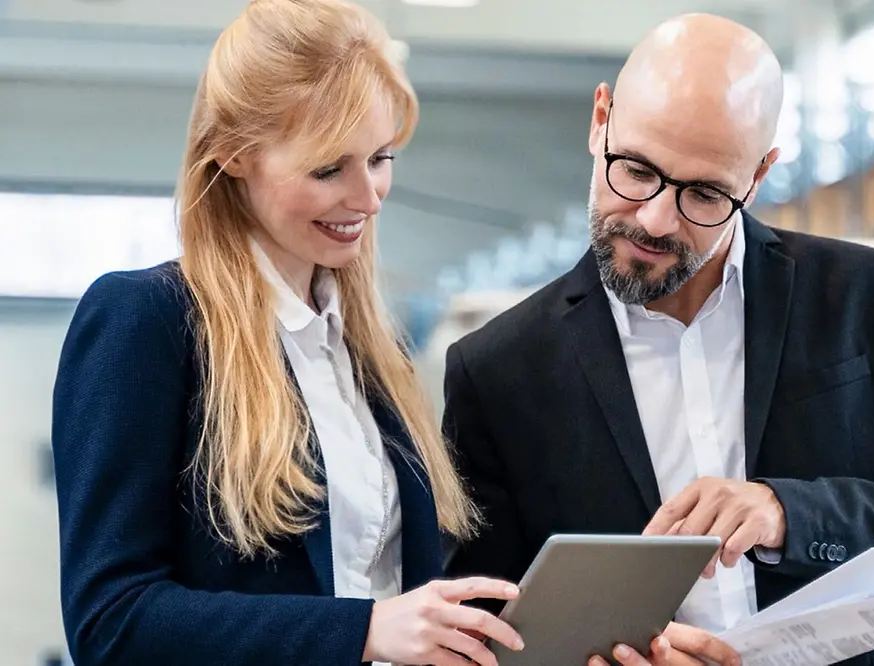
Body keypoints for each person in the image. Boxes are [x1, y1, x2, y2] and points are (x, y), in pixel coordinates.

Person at [442, 12, 874, 666]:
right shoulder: (499, 371)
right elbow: (479, 627)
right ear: (600, 120)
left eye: (703, 194)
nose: (654, 218)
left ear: (758, 176)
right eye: (636, 169)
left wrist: (788, 514)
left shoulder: (865, 298)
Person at [50, 1, 525, 665]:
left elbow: (402, 593)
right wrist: (361, 631)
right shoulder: (146, 321)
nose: (368, 197)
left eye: (381, 157)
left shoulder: (370, 352)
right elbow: (111, 621)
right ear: (233, 156)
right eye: (329, 168)